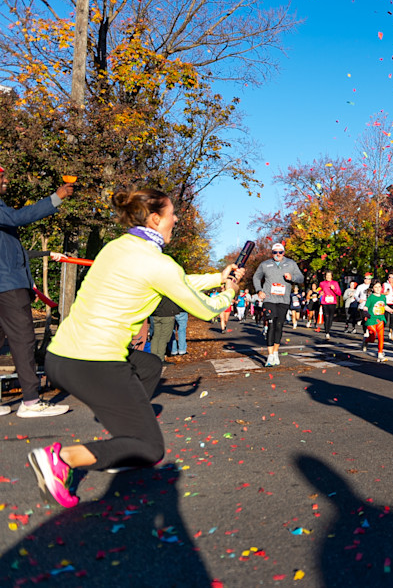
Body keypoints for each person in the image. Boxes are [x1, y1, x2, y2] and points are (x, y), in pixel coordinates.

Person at [30, 188, 243, 507]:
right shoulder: (158, 264)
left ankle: (124, 439)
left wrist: (217, 277)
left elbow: (178, 281)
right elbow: (207, 309)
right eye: (172, 214)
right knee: (152, 449)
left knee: (149, 366)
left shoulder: (118, 248)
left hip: (61, 356)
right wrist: (229, 292)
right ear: (156, 219)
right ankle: (63, 458)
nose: (176, 220)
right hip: (94, 361)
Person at [0, 167, 74, 418]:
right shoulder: (3, 212)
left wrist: (43, 254)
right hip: (8, 286)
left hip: (5, 284)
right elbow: (19, 218)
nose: (6, 179)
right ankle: (30, 402)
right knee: (23, 341)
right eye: (1, 177)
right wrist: (57, 197)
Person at [252, 242, 304, 366]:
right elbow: (256, 277)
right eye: (275, 252)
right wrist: (259, 290)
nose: (278, 254)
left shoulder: (291, 263)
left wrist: (292, 278)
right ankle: (270, 356)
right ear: (272, 253)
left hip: (284, 300)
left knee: (279, 326)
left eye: (280, 252)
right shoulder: (265, 264)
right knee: (270, 324)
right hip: (269, 299)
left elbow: (301, 278)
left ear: (284, 253)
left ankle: (275, 352)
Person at [361, 281, 391, 363]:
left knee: (381, 337)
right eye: (376, 287)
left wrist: (392, 310)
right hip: (371, 319)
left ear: (381, 288)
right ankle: (366, 341)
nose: (378, 289)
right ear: (373, 288)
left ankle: (380, 354)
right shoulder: (371, 297)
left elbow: (385, 306)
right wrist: (366, 313)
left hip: (380, 319)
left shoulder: (383, 297)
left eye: (379, 287)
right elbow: (365, 307)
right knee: (373, 337)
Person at [318, 271, 341, 339]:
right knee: (326, 316)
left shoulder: (335, 283)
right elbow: (319, 290)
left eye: (329, 275)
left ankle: (328, 329)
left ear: (332, 276)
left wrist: (334, 289)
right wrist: (320, 292)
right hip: (325, 302)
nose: (328, 277)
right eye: (327, 275)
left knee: (331, 317)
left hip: (332, 302)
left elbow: (339, 293)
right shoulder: (322, 283)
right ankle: (327, 331)